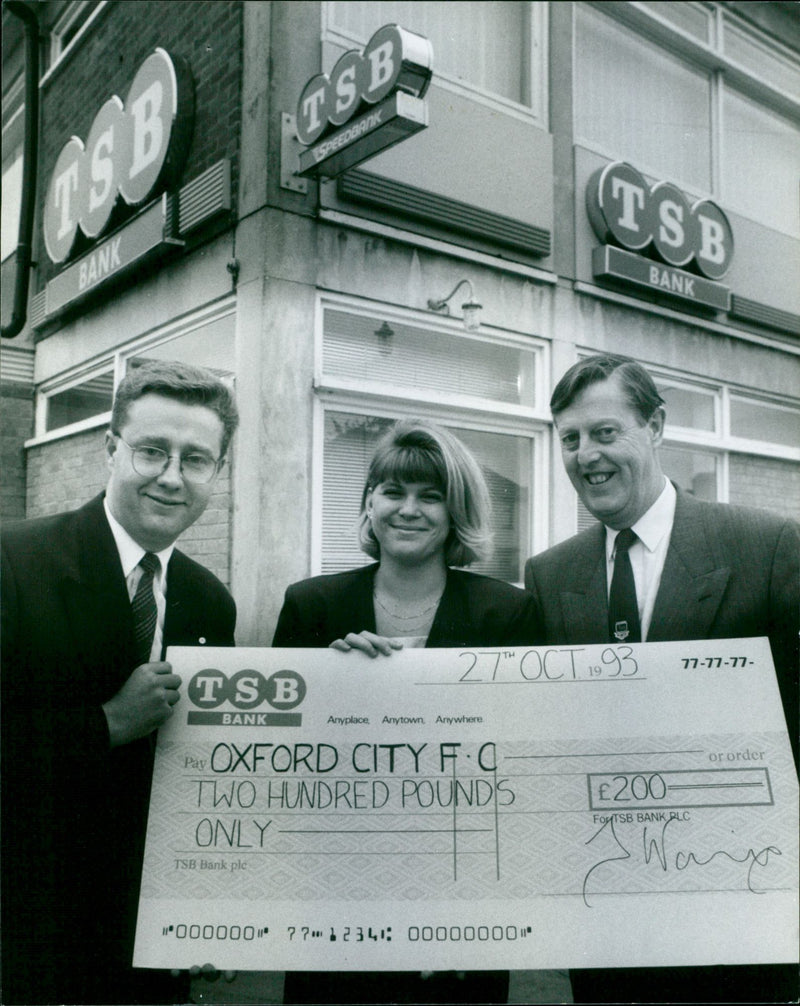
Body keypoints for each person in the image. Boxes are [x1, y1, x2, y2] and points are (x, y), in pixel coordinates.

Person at [523, 352, 799, 1005]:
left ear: (657, 427)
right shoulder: (549, 575)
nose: (585, 454)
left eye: (605, 432)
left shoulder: (768, 547)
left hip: (740, 915)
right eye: (570, 439)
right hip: (608, 920)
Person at [274, 418, 542, 1003]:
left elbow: (524, 769)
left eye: (430, 496)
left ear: (456, 513)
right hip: (334, 905)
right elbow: (277, 763)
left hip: (464, 908)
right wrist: (327, 682)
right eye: (393, 492)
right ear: (369, 503)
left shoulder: (510, 613)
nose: (408, 510)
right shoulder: (310, 605)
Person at [1, 360, 239, 1006]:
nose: (171, 476)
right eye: (152, 452)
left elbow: (206, 784)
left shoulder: (211, 602)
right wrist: (106, 723)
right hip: (28, 939)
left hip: (151, 950)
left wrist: (216, 908)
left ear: (216, 473)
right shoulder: (13, 563)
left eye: (196, 460)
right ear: (111, 449)